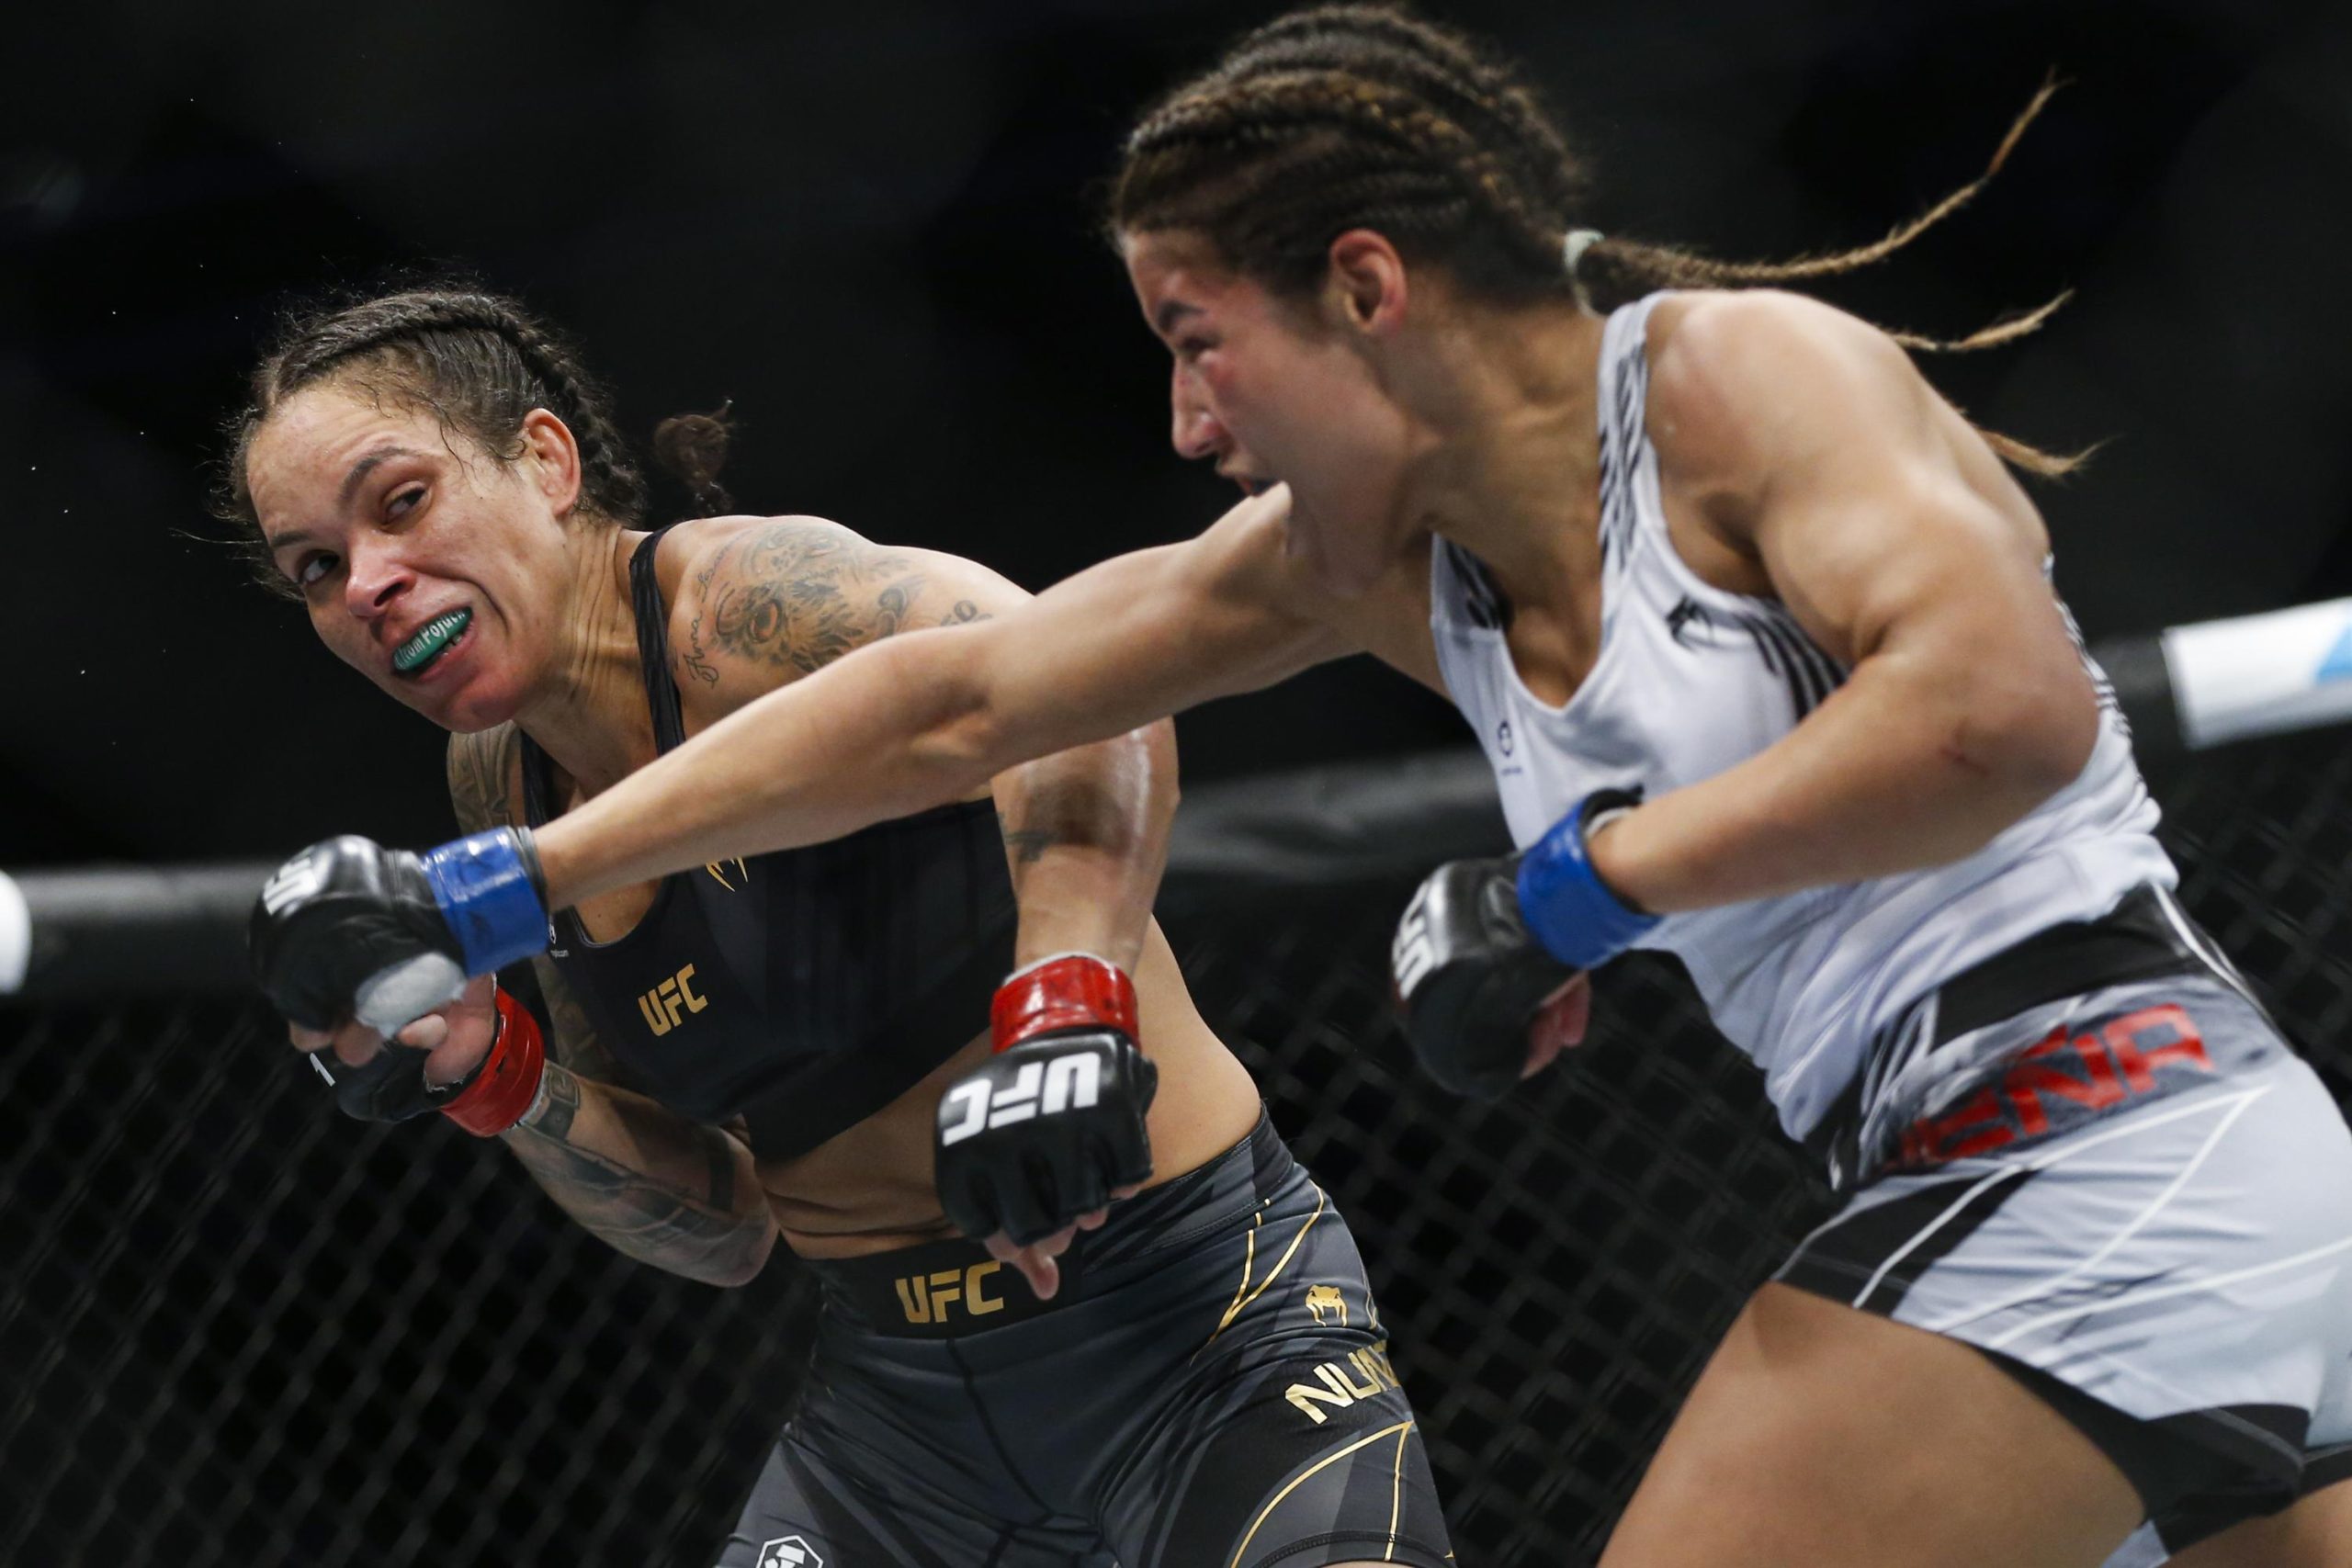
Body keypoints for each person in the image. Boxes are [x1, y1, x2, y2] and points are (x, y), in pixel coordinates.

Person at [245, 7, 2352, 1566]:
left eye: (1195, 337)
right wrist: (509, 887)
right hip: (2092, 1161)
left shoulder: (1720, 377)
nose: (1177, 419)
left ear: (1362, 287)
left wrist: (1572, 891)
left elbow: (2003, 716)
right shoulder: (1368, 559)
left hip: (2085, 1127)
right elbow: (956, 697)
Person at [228, 285, 1453, 1568]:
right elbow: (726, 1223)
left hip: (1198, 1324)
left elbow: (1094, 689)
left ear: (543, 461)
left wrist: (1067, 1008)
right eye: (316, 568)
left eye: (401, 501)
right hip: (899, 1430)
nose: (368, 580)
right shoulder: (500, 788)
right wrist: (498, 1078)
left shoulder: (748, 608)